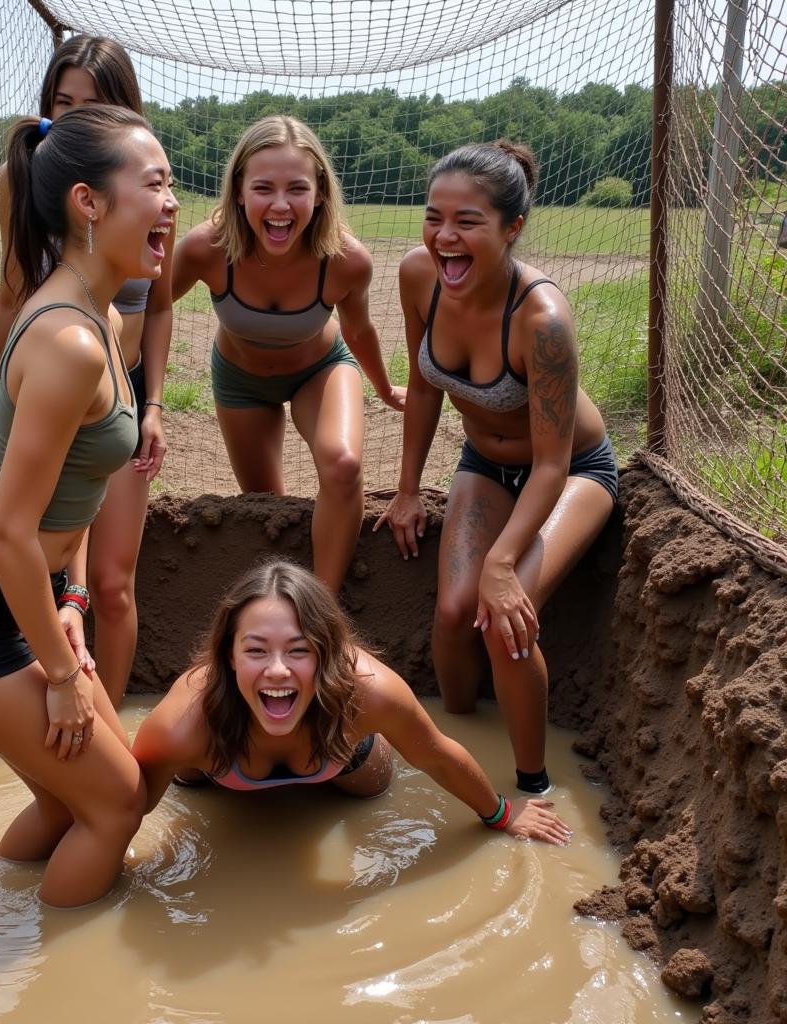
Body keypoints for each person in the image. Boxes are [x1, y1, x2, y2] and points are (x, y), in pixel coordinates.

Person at [0, 106, 180, 907]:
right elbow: (14, 530)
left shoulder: (105, 317)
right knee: (118, 801)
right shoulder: (70, 342)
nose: (172, 203)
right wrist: (60, 673)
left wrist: (73, 602)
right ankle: (53, 978)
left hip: (28, 596)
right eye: (154, 184)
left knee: (74, 800)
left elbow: (78, 499)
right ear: (89, 203)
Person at [0, 35, 171, 706]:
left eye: (94, 106)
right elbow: (11, 292)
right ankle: (74, 711)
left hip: (119, 401)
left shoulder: (147, 192)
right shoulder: (31, 188)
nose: (73, 119)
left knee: (110, 588)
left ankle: (109, 725)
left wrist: (152, 406)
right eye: (63, 103)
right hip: (60, 394)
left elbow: (161, 305)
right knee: (31, 541)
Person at [374, 141, 618, 795]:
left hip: (570, 473)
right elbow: (424, 387)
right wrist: (404, 490)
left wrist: (504, 566)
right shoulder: (417, 276)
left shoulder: (542, 322)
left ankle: (533, 783)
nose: (445, 238)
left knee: (504, 618)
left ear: (512, 228)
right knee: (453, 615)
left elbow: (551, 461)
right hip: (484, 460)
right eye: (434, 217)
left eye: (467, 222)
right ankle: (457, 751)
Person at [131, 560, 570, 847]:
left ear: (328, 652)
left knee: (374, 789)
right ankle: (198, 771)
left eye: (299, 650)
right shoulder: (184, 721)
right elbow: (121, 810)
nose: (279, 670)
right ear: (229, 655)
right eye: (257, 650)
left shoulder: (370, 692)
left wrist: (503, 815)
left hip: (341, 758)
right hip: (217, 760)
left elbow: (435, 756)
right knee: (183, 773)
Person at [173, 115, 405, 595]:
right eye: (264, 188)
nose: (280, 205)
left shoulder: (346, 260)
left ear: (319, 192)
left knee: (342, 465)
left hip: (319, 370)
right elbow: (149, 308)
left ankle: (324, 605)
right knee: (264, 505)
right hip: (240, 381)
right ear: (239, 191)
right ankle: (280, 599)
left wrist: (383, 387)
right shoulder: (206, 248)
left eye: (297, 188)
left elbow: (359, 329)